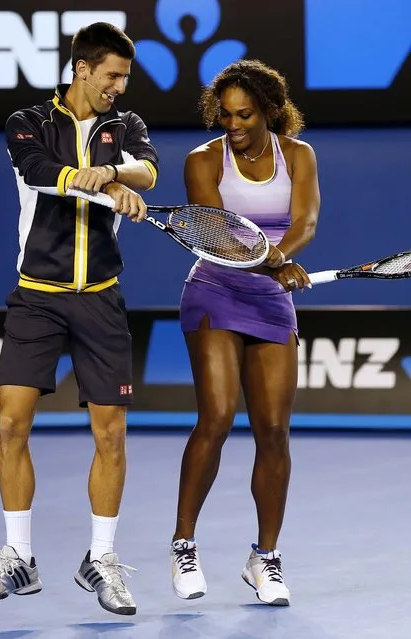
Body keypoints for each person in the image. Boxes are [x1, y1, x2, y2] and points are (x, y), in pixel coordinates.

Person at [0, 22, 159, 616]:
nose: (119, 88)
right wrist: (90, 178)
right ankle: (18, 557)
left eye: (124, 78)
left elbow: (147, 169)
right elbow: (37, 172)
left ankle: (101, 559)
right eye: (112, 76)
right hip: (37, 298)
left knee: (110, 433)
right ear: (82, 68)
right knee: (11, 424)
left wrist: (122, 176)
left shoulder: (125, 128)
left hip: (100, 298)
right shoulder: (27, 122)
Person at [170, 59, 320, 606]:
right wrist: (272, 264)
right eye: (224, 115)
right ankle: (183, 543)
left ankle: (266, 557)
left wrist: (283, 259)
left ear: (271, 112)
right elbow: (220, 237)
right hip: (216, 290)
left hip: (272, 298)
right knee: (215, 417)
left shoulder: (298, 155)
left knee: (275, 429)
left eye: (244, 115)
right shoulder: (202, 160)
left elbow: (305, 222)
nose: (231, 125)